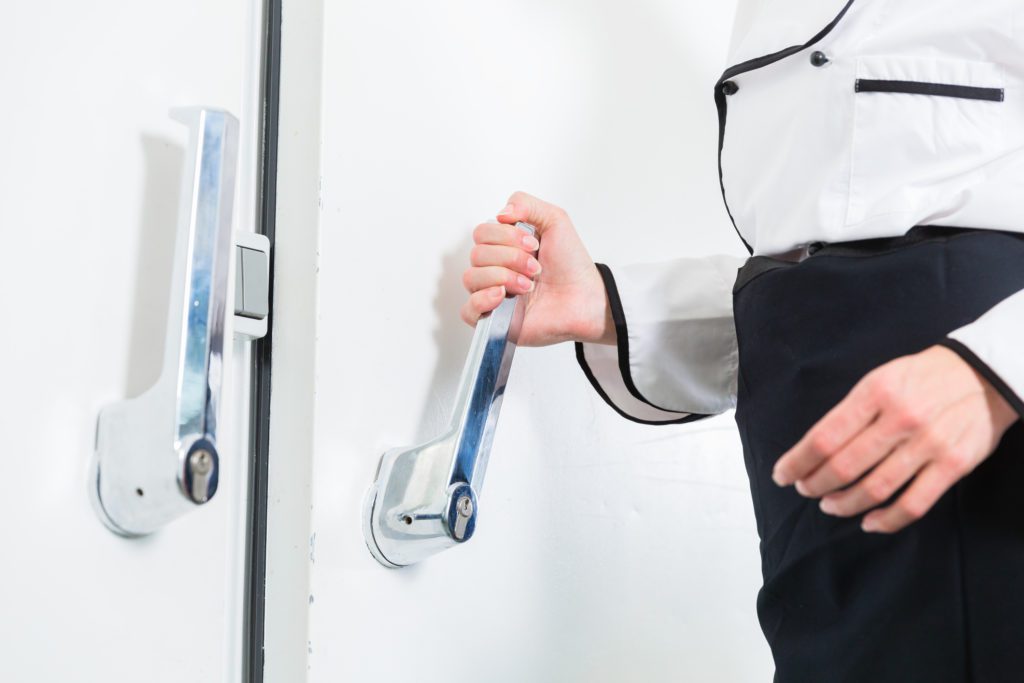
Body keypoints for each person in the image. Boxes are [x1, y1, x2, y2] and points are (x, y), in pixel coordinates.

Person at [460, 1, 1024, 681]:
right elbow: (825, 265)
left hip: (979, 443)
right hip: (813, 474)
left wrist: (994, 370)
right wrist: (608, 304)